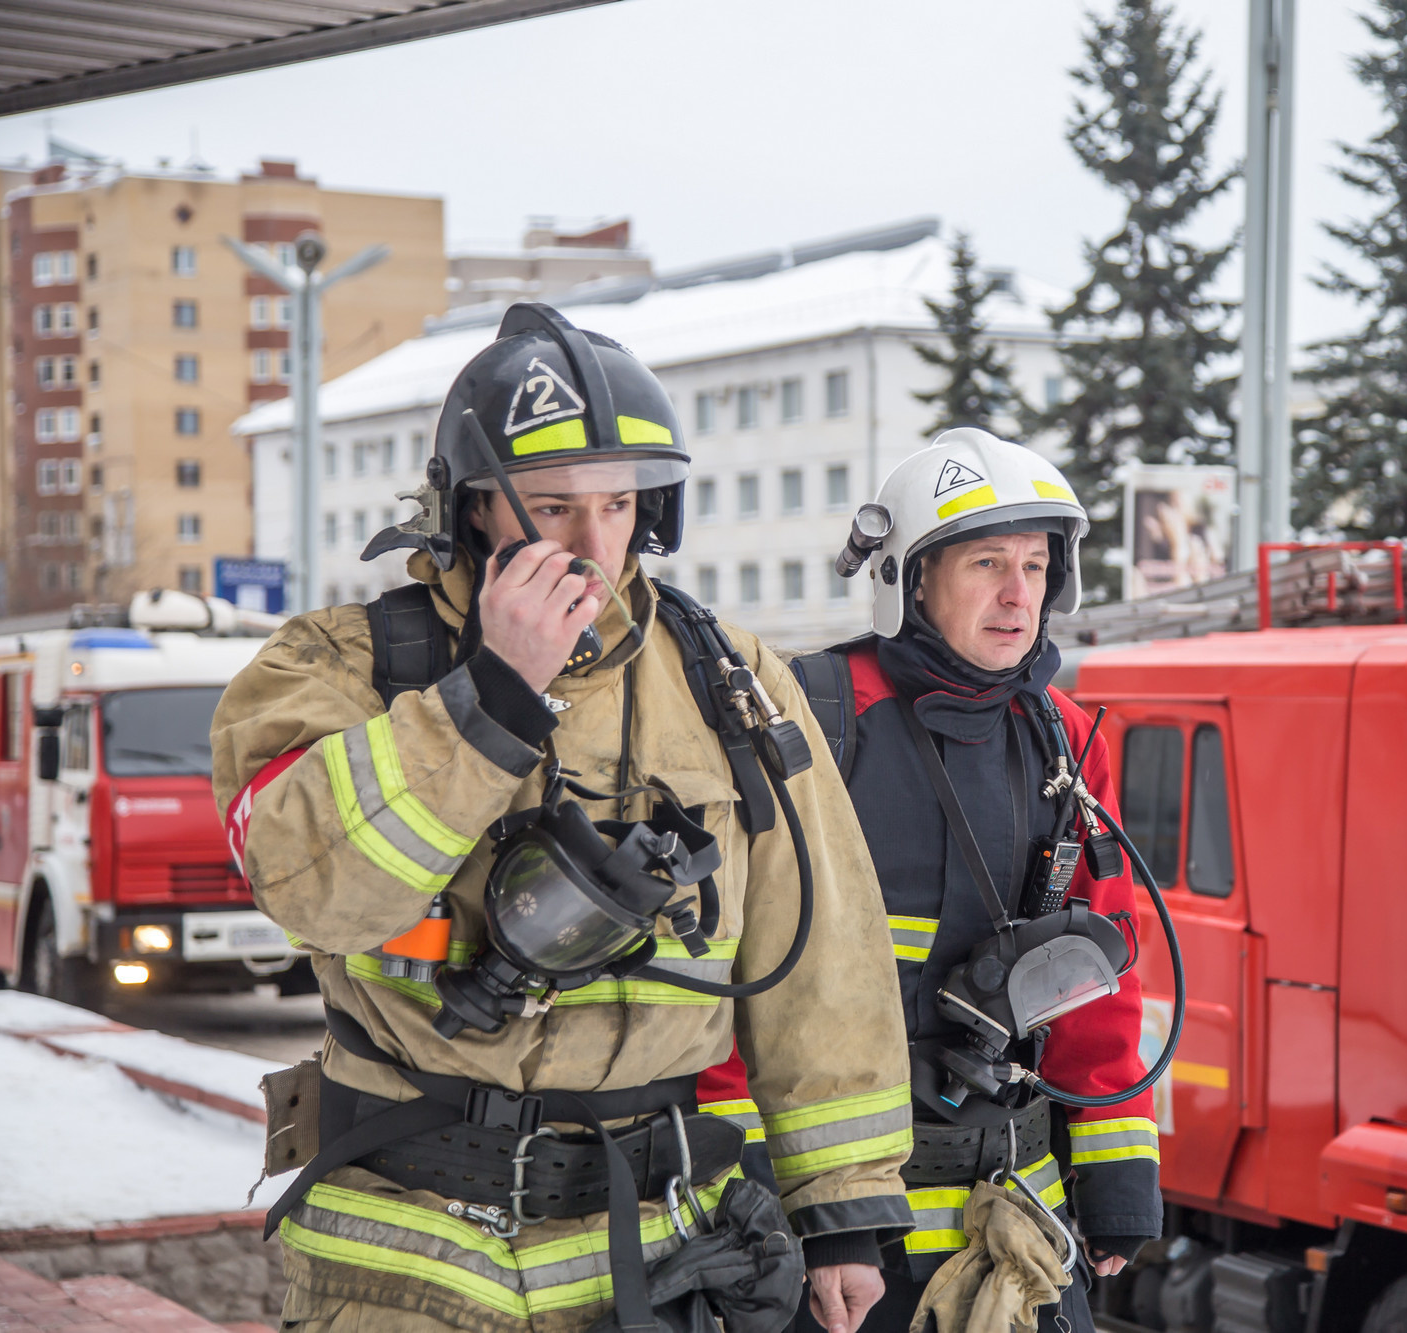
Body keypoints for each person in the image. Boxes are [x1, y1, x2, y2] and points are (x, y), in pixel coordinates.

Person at [212, 303, 912, 1333]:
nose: (594, 543)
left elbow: (822, 946)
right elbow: (312, 892)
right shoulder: (335, 666)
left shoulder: (731, 678)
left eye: (621, 504)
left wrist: (840, 1203)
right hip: (399, 1251)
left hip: (650, 1245)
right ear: (477, 506)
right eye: (551, 507)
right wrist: (488, 699)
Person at [715, 428, 1164, 1333]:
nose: (1016, 594)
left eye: (1035, 566)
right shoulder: (812, 720)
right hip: (840, 1238)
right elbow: (737, 968)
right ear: (911, 578)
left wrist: (1118, 1164)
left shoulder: (1068, 740)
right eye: (986, 562)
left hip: (1016, 1225)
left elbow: (1099, 965)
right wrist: (759, 1195)